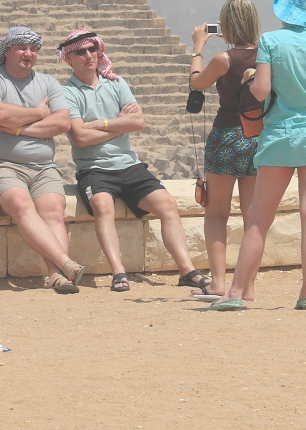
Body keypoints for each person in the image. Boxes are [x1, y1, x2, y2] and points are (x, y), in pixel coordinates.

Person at [213, 0, 306, 311]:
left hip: (281, 137)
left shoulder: (271, 42)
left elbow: (261, 91)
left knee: (258, 218)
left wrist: (247, 79)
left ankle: (237, 293)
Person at [58, 29, 210, 294]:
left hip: (129, 165)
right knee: (102, 206)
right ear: (68, 59)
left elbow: (138, 122)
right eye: (80, 52)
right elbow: (80, 138)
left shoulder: (116, 83)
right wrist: (120, 124)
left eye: (92, 49)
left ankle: (187, 270)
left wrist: (101, 124)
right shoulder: (67, 93)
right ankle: (119, 272)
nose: (88, 56)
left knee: (167, 205)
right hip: (94, 168)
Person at [0, 27, 87, 294]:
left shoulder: (48, 82)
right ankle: (66, 265)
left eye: (33, 49)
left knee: (55, 213)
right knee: (22, 206)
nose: (28, 53)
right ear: (7, 51)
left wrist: (21, 128)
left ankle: (57, 275)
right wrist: (39, 112)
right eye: (22, 48)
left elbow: (62, 122)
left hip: (43, 167)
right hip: (1, 163)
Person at [188, 0, 262, 297]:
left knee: (217, 213)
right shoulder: (267, 56)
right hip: (257, 139)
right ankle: (248, 285)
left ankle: (218, 282)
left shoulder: (223, 60)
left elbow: (197, 83)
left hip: (226, 138)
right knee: (252, 217)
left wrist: (197, 48)